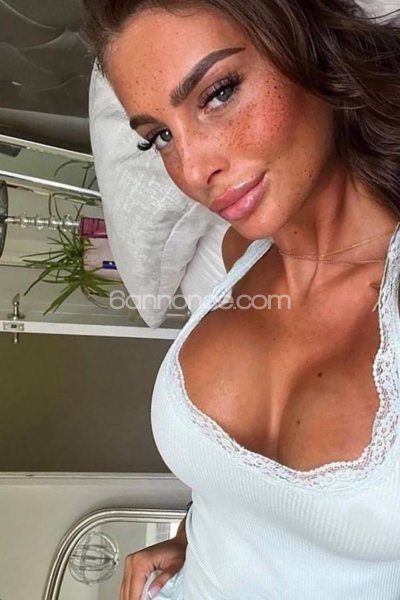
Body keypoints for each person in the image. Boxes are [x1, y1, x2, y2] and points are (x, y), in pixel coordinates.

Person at [82, 1, 400, 598]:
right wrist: (192, 535)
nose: (192, 170)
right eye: (160, 137)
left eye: (218, 93)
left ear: (308, 42)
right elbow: (253, 495)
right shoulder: (239, 254)